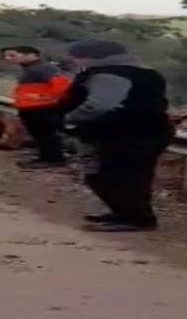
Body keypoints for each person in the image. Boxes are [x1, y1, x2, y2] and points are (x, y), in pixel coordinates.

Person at [60, 39, 174, 232]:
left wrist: (69, 118)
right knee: (123, 176)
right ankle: (124, 213)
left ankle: (137, 219)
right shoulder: (145, 73)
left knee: (118, 176)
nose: (74, 60)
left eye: (77, 56)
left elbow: (98, 105)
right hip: (143, 131)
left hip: (126, 134)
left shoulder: (109, 75)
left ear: (92, 57)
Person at [0, 46, 72, 168]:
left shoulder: (43, 68)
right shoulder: (31, 69)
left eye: (13, 55)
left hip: (42, 107)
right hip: (32, 107)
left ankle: (53, 159)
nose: (9, 59)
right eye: (7, 56)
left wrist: (46, 98)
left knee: (45, 134)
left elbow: (62, 85)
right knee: (40, 134)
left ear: (32, 55)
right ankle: (46, 156)